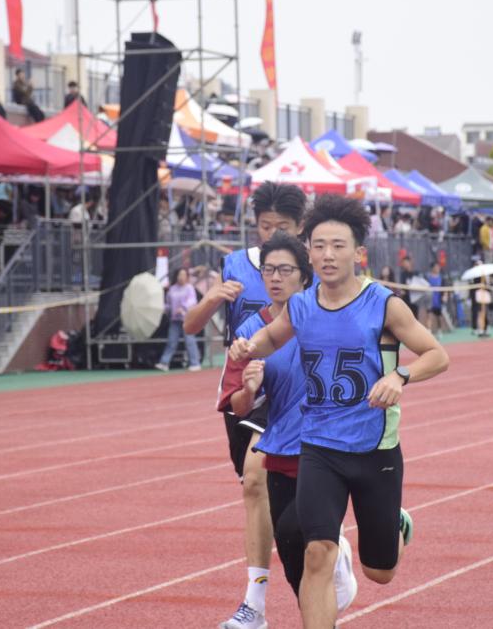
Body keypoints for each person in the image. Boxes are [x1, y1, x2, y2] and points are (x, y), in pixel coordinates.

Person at [229, 194, 449, 629]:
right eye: (319, 246)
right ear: (309, 252)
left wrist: (399, 376)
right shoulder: (301, 305)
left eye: (338, 246)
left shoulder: (383, 304)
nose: (328, 255)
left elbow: (437, 355)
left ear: (358, 253)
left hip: (373, 448)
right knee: (317, 553)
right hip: (319, 447)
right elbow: (271, 338)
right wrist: (247, 346)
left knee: (379, 570)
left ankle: (396, 524)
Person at [184, 182, 308, 629]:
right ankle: (261, 600)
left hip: (297, 382)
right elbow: (190, 326)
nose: (273, 233)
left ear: (301, 227)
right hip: (248, 384)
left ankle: (255, 603)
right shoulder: (235, 264)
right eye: (265, 225)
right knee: (258, 489)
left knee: (260, 476)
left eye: (283, 226)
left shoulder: (312, 265)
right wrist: (212, 297)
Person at [220, 232, 357, 615]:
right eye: (268, 270)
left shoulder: (330, 315)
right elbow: (238, 406)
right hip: (281, 447)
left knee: (303, 532)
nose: (275, 278)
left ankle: (344, 541)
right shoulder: (250, 332)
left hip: (327, 447)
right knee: (292, 552)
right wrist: (249, 389)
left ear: (304, 275)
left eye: (284, 270)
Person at [155, 268, 201, 372]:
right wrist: (164, 308)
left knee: (190, 341)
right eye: (180, 275)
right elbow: (168, 304)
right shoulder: (172, 289)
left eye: (184, 275)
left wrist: (183, 308)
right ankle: (164, 363)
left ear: (187, 277)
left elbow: (193, 301)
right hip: (175, 320)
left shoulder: (189, 288)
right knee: (171, 341)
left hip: (187, 319)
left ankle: (195, 363)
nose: (181, 277)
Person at [425, 261, 447, 335]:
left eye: (438, 267)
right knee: (429, 315)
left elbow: (445, 288)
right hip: (430, 299)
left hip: (438, 300)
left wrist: (445, 295)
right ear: (432, 268)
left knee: (439, 316)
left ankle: (439, 330)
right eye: (436, 267)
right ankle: (429, 331)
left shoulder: (441, 278)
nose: (437, 268)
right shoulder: (428, 278)